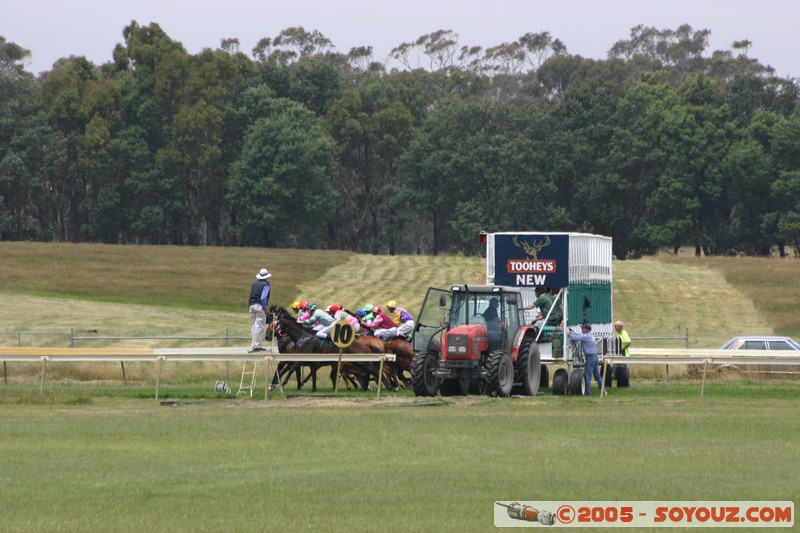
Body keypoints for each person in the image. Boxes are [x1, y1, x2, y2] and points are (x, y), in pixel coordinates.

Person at [566, 323, 605, 396]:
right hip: (594, 357)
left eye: (582, 328)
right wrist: (573, 332)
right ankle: (603, 390)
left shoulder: (586, 336)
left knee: (587, 376)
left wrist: (569, 333)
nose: (581, 329)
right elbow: (578, 335)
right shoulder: (589, 335)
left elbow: (575, 338)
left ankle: (587, 392)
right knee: (597, 375)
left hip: (590, 357)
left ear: (586, 329)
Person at [248, 267, 272, 352]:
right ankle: (257, 346)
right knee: (259, 326)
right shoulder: (266, 285)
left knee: (254, 326)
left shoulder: (254, 284)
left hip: (251, 305)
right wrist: (265, 309)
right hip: (259, 306)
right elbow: (263, 298)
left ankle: (254, 345)